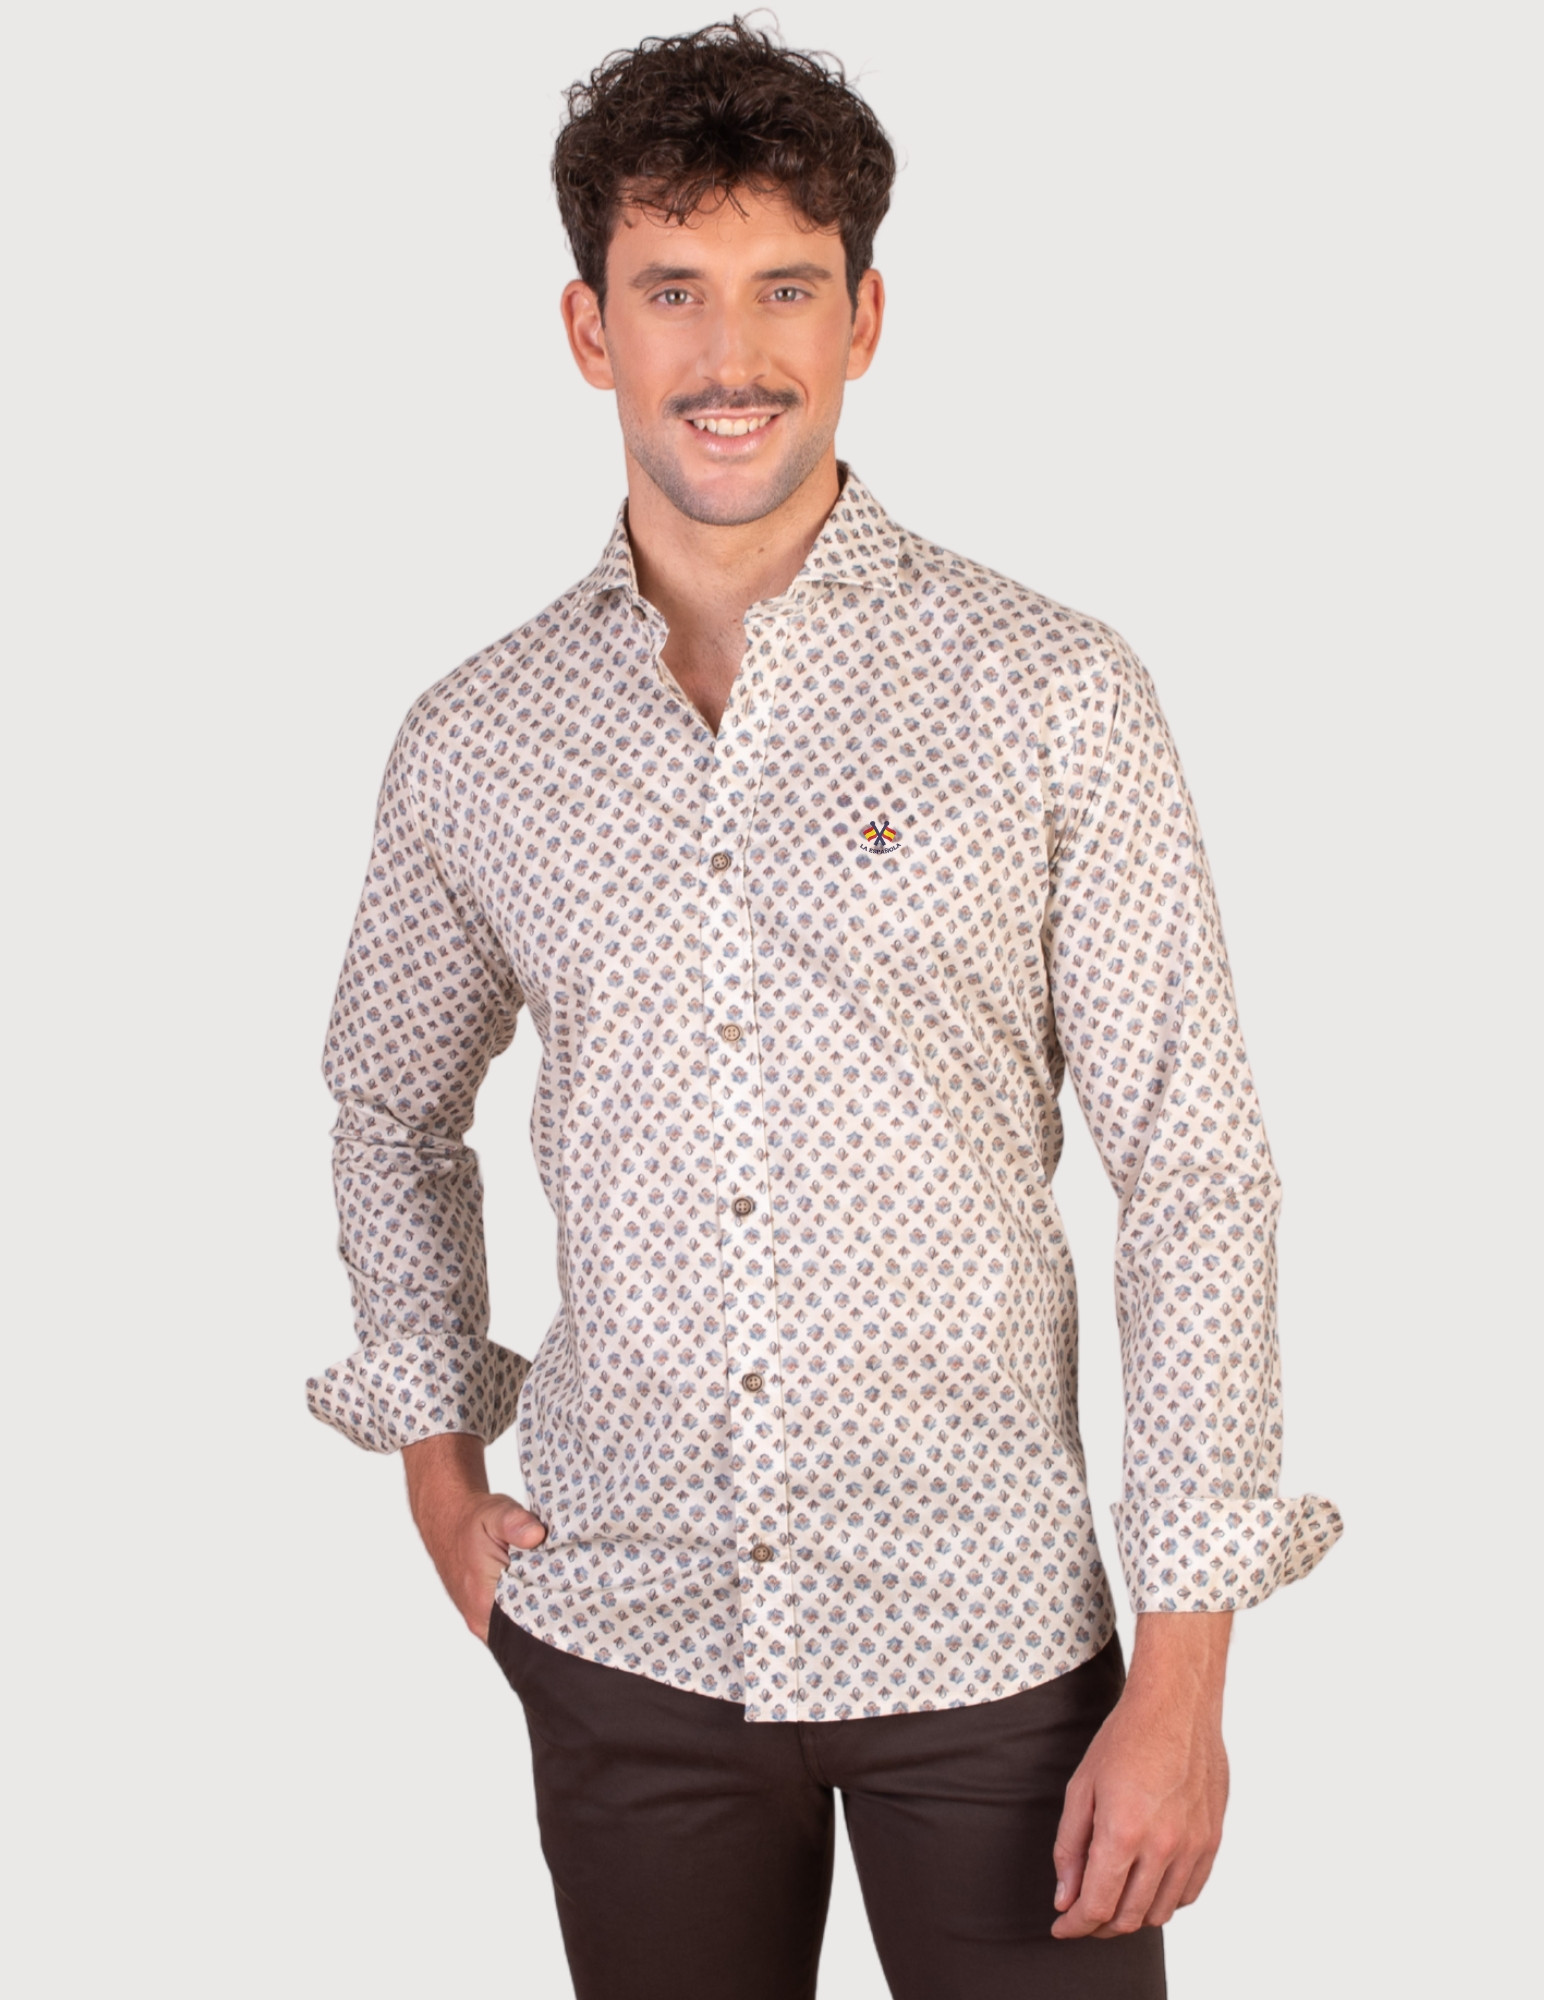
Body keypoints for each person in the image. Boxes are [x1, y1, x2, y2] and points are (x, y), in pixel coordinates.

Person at [306, 19, 1343, 1999]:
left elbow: (1195, 1174)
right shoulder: (477, 737)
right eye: (671, 290)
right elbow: (386, 1103)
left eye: (785, 287)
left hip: (997, 1653)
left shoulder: (1050, 690)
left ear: (864, 316)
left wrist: (1185, 1673)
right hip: (625, 1644)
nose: (732, 352)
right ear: (587, 328)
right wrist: (439, 1476)